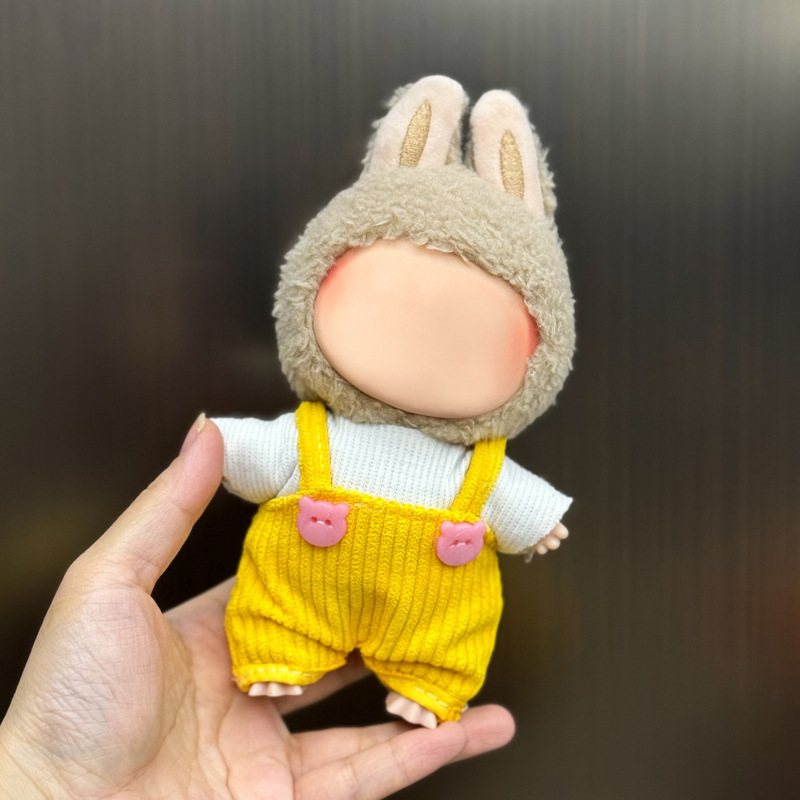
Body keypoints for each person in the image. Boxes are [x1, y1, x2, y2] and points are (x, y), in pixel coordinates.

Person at [0, 416, 515, 799]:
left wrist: (41, 781)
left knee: (441, 633)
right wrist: (44, 778)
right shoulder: (307, 433)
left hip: (426, 603)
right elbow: (243, 448)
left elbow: (518, 502)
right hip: (307, 589)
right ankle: (276, 657)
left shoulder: (483, 465)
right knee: (282, 612)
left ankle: (427, 685)